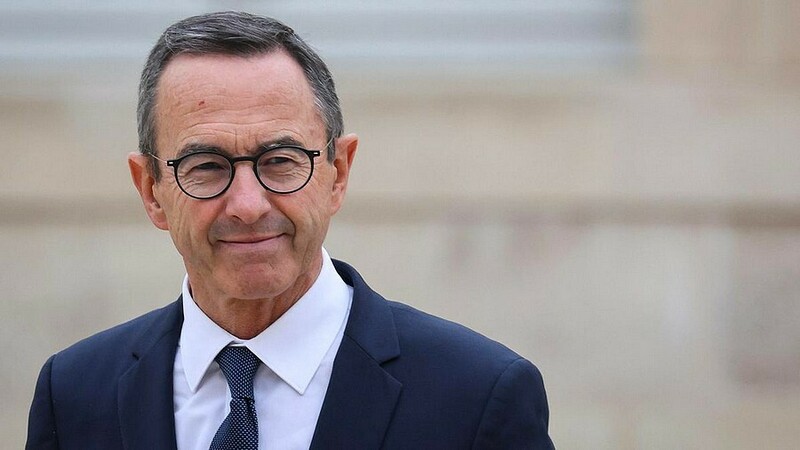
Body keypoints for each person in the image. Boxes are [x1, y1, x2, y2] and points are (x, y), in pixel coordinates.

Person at [26, 11, 554, 450]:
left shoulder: (477, 396)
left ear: (338, 173)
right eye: (206, 166)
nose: (247, 205)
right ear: (150, 190)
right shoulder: (73, 396)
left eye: (280, 161)